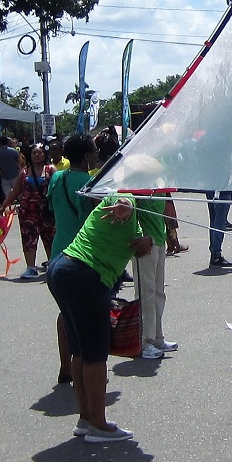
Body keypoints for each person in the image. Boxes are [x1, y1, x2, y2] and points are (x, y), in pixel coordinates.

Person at [46, 195, 152, 442]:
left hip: (64, 269)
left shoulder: (133, 220)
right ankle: (98, 424)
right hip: (85, 276)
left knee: (81, 351)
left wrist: (146, 240)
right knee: (95, 354)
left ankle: (86, 419)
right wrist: (124, 207)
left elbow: (137, 244)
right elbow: (123, 204)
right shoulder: (120, 199)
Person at [47, 134, 99, 382]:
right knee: (86, 317)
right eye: (95, 150)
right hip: (82, 254)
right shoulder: (89, 183)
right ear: (88, 156)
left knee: (65, 313)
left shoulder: (56, 177)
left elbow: (51, 208)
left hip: (57, 250)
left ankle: (65, 366)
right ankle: (88, 368)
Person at [0, 143, 56, 279]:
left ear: (45, 154)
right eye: (34, 153)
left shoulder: (51, 170)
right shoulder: (25, 171)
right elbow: (15, 191)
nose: (36, 156)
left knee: (49, 237)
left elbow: (58, 187)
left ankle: (52, 264)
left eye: (39, 153)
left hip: (46, 211)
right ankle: (31, 267)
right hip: (27, 212)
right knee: (28, 238)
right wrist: (4, 205)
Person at [134, 195, 179, 359]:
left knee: (158, 293)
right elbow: (131, 212)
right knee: (146, 294)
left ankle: (157, 338)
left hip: (159, 239)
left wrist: (170, 234)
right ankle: (144, 343)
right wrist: (139, 236)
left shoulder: (160, 182)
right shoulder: (139, 181)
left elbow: (166, 209)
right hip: (145, 243)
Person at [207, 190, 232, 268]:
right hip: (223, 189)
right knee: (219, 222)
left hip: (211, 188)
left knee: (214, 221)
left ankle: (214, 255)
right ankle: (216, 255)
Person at [0, 136, 23, 201]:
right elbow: (19, 160)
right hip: (14, 173)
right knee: (18, 190)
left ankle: (8, 208)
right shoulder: (14, 151)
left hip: (4, 175)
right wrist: (18, 167)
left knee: (7, 194)